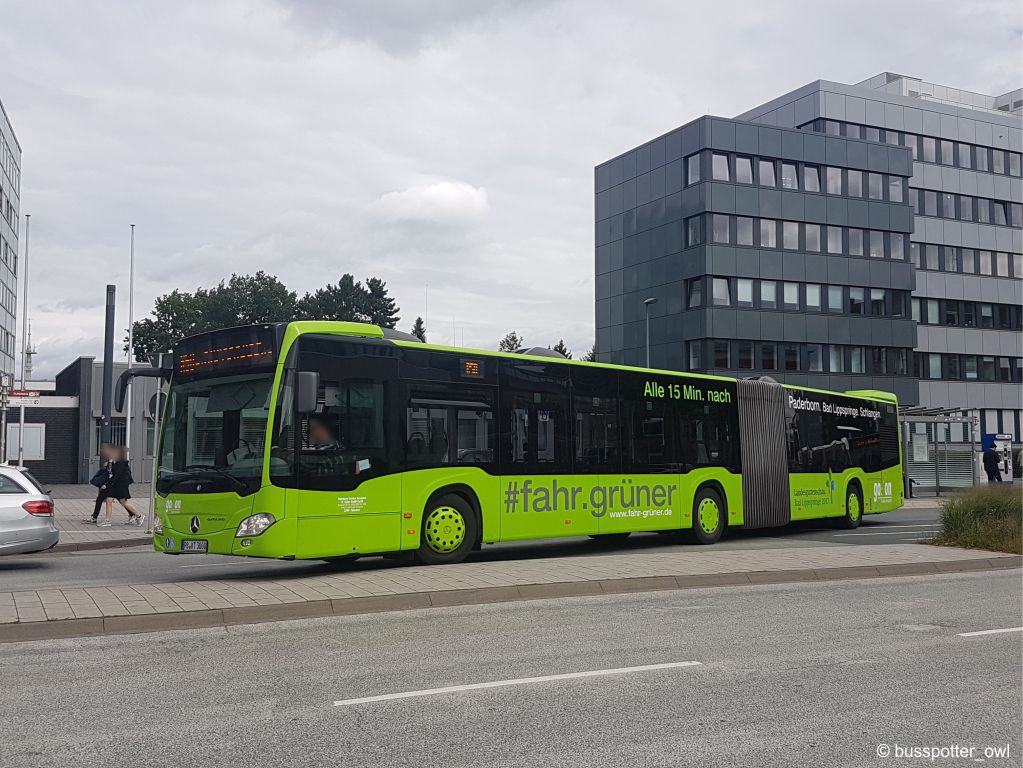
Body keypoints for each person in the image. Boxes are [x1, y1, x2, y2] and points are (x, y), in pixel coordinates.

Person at [99, 446, 145, 528]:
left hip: (120, 486)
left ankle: (139, 516)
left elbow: (116, 476)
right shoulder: (114, 461)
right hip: (115, 485)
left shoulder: (121, 462)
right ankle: (107, 520)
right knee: (109, 500)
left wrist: (106, 484)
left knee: (123, 502)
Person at [87, 444, 114, 524]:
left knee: (122, 501)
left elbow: (114, 475)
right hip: (108, 484)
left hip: (112, 485)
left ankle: (135, 515)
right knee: (99, 499)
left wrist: (106, 484)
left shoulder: (115, 461)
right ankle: (95, 517)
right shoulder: (110, 460)